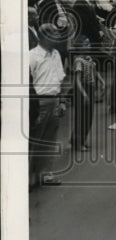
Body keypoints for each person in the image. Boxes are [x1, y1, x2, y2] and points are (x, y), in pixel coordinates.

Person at [29, 24, 69, 188]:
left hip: (53, 100)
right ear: (44, 37)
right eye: (54, 34)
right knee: (34, 139)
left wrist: (61, 101)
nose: (58, 38)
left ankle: (45, 174)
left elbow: (59, 79)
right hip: (39, 101)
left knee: (50, 139)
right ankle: (29, 177)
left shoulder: (56, 54)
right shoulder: (32, 56)